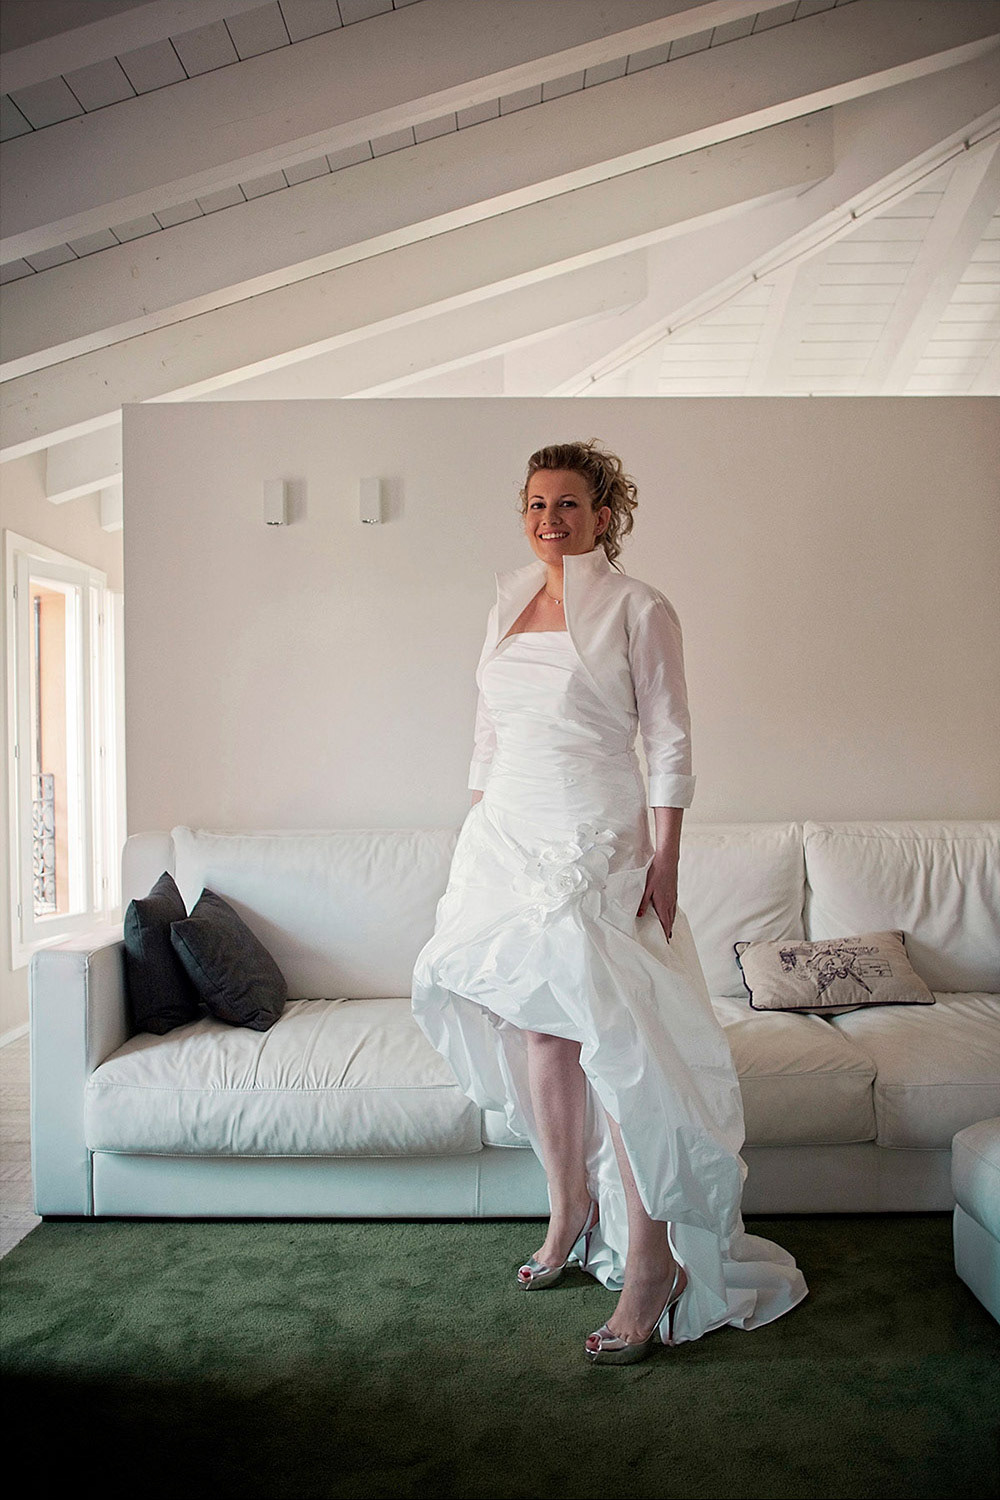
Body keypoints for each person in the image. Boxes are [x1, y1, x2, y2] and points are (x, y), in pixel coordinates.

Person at [411, 439, 807, 1363]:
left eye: (569, 504)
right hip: (507, 835)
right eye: (536, 503)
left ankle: (652, 1264)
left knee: (624, 1047)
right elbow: (488, 729)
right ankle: (569, 1210)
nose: (550, 519)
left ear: (604, 514)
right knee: (539, 1031)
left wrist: (666, 857)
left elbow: (668, 737)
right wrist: (478, 831)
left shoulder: (640, 606)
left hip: (595, 832)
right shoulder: (507, 599)